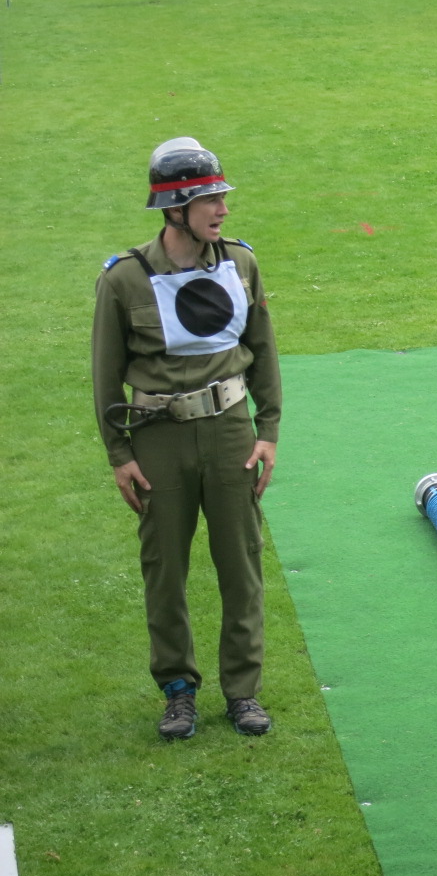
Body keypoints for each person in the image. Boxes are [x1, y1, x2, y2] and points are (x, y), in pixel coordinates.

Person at [92, 138, 282, 740]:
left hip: (231, 433)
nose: (222, 209)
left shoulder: (242, 263)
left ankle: (242, 692)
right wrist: (119, 454)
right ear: (174, 209)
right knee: (164, 569)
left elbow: (263, 349)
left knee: (241, 563)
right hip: (157, 439)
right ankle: (178, 690)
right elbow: (105, 374)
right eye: (209, 200)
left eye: (222, 197)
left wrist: (268, 430)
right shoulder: (124, 279)